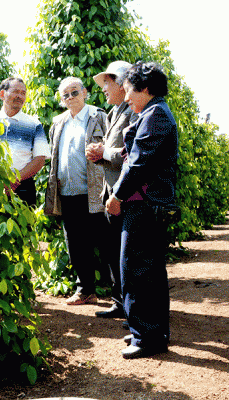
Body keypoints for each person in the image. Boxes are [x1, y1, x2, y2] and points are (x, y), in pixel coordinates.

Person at [105, 61, 178, 359]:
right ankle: (150, 332)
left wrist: (117, 196)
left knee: (136, 270)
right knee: (149, 272)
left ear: (145, 89)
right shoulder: (153, 112)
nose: (126, 96)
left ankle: (146, 337)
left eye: (129, 90)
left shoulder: (156, 114)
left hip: (144, 206)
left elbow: (138, 163)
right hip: (148, 205)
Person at [44, 77, 108, 306]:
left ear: (85, 92)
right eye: (65, 95)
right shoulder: (58, 122)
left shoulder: (98, 116)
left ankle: (119, 295)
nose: (70, 97)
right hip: (68, 193)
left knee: (106, 241)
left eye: (74, 92)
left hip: (95, 192)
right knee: (75, 243)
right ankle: (85, 290)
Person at [86, 61, 137, 319]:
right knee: (113, 250)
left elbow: (132, 153)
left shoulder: (134, 111)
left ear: (120, 83)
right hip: (110, 192)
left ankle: (134, 310)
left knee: (129, 254)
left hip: (127, 194)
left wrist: (104, 152)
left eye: (107, 83)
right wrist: (99, 154)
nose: (104, 89)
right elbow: (113, 152)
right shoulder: (112, 113)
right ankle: (119, 302)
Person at [0, 77, 50, 206]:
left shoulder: (34, 124)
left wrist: (14, 179)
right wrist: (0, 179)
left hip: (23, 187)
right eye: (16, 91)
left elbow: (40, 159)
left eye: (23, 93)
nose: (20, 96)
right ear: (2, 94)